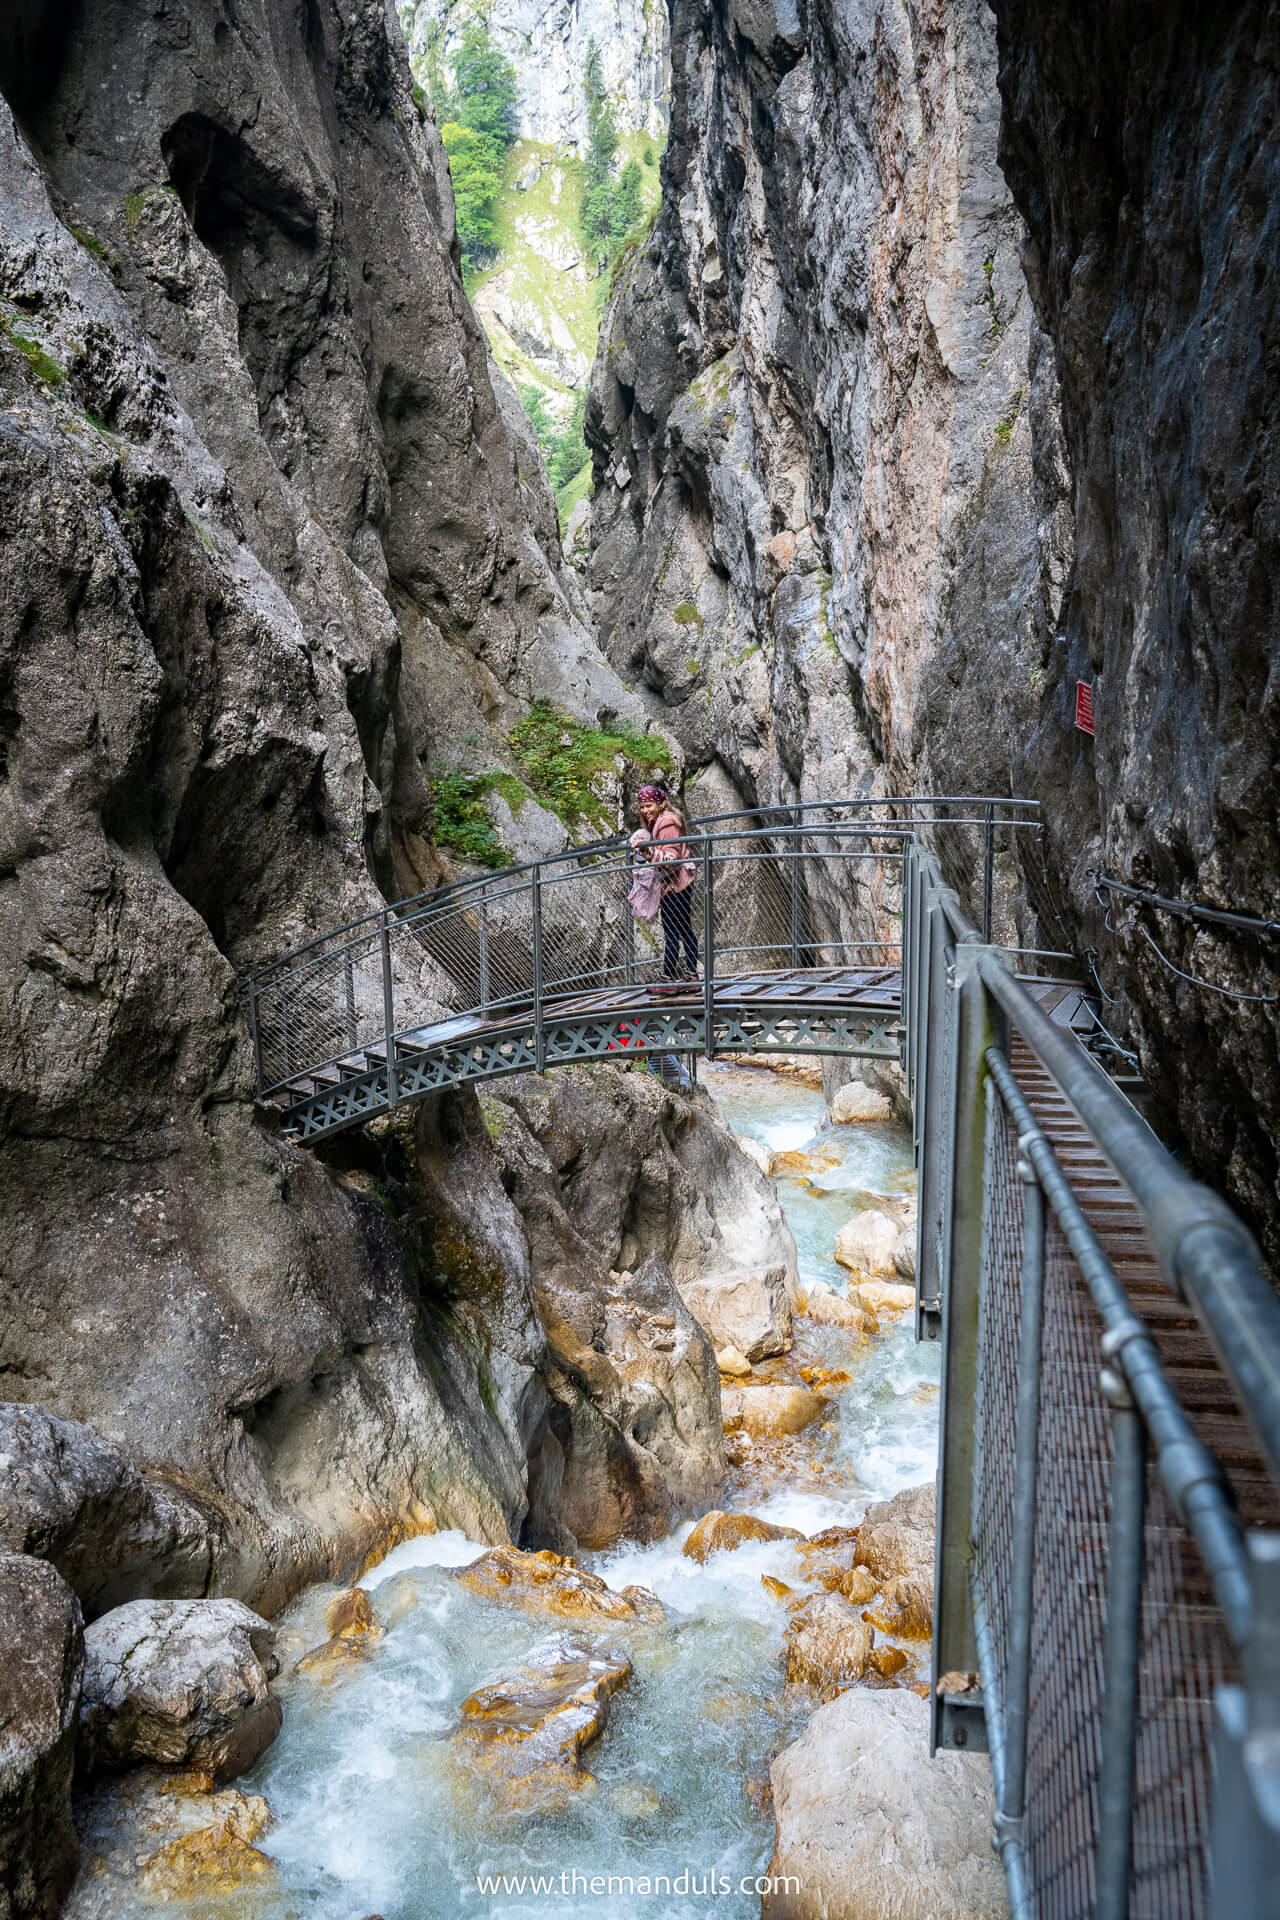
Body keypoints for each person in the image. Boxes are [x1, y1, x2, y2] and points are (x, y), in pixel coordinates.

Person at [635, 783, 698, 982]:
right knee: (682, 929)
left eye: (649, 806)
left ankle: (668, 976)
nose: (645, 811)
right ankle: (689, 972)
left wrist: (647, 851)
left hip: (676, 885)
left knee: (674, 931)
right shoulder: (661, 822)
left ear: (660, 804)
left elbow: (672, 860)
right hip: (674, 885)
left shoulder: (667, 823)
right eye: (642, 807)